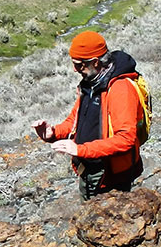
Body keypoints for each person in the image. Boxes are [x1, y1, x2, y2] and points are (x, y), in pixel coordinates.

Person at [32, 31, 144, 200]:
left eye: (78, 65)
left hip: (111, 177)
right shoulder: (91, 84)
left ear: (95, 62)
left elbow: (126, 139)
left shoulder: (120, 89)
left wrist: (80, 150)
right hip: (91, 168)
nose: (74, 69)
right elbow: (75, 121)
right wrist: (53, 133)